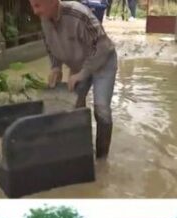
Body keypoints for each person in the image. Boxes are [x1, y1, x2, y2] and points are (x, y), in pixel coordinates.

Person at [30, 0, 118, 159]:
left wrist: (83, 73)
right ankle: (81, 152)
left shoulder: (79, 14)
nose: (35, 11)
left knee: (102, 109)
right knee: (73, 105)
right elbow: (50, 45)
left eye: (38, 5)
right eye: (32, 6)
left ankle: (102, 159)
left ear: (52, 2)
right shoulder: (44, 20)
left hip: (103, 62)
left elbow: (102, 46)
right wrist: (56, 67)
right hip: (80, 64)